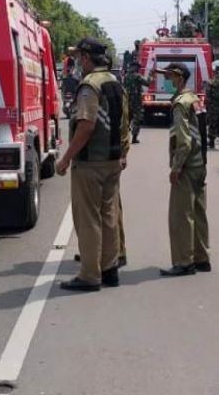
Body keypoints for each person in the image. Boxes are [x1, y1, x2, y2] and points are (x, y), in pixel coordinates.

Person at [56, 37, 129, 292]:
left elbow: (86, 125)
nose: (76, 62)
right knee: (108, 216)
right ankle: (109, 270)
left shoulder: (89, 86)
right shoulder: (114, 82)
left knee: (88, 219)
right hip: (111, 160)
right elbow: (123, 121)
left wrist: (65, 158)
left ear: (86, 58)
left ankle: (89, 275)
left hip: (90, 163)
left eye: (78, 57)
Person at [156, 63, 210, 277]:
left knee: (181, 215)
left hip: (187, 165)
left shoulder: (180, 103)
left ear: (178, 77)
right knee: (198, 212)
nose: (166, 80)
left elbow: (184, 141)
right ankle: (201, 258)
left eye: (169, 76)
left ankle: (183, 262)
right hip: (199, 164)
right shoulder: (195, 99)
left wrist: (176, 167)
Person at [123, 62, 150, 144]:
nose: (138, 69)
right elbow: (147, 83)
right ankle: (134, 138)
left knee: (126, 119)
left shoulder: (126, 76)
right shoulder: (137, 76)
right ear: (135, 67)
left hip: (127, 100)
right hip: (136, 102)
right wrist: (151, 76)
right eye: (138, 67)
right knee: (137, 119)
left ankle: (124, 137)